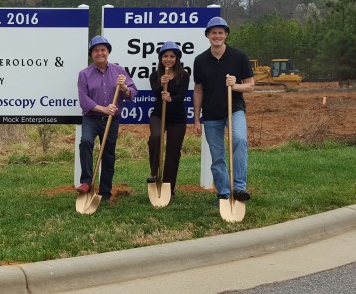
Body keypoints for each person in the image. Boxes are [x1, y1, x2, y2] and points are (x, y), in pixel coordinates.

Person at [193, 17, 255, 206]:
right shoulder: (200, 60)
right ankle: (223, 193)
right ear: (208, 36)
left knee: (240, 140)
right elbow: (198, 89)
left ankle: (239, 188)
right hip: (211, 113)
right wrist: (196, 118)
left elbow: (251, 86)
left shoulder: (239, 57)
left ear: (226, 34)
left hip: (234, 109)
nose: (217, 36)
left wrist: (235, 85)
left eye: (220, 32)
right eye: (213, 33)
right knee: (217, 154)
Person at [77, 35, 137, 202]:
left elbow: (132, 93)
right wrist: (103, 108)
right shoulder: (84, 74)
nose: (100, 53)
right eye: (96, 51)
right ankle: (87, 182)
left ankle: (105, 192)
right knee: (86, 142)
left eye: (103, 50)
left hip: (112, 121)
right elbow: (84, 100)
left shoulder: (119, 71)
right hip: (92, 118)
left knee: (108, 155)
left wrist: (124, 87)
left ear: (108, 52)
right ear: (91, 54)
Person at [146, 41, 190, 198]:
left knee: (173, 151)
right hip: (158, 115)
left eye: (172, 56)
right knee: (156, 137)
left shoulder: (183, 75)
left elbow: (183, 95)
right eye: (165, 56)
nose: (169, 59)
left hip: (177, 118)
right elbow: (155, 92)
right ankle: (154, 172)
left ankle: (168, 186)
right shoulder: (155, 75)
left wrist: (171, 98)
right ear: (160, 58)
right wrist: (161, 84)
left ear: (177, 58)